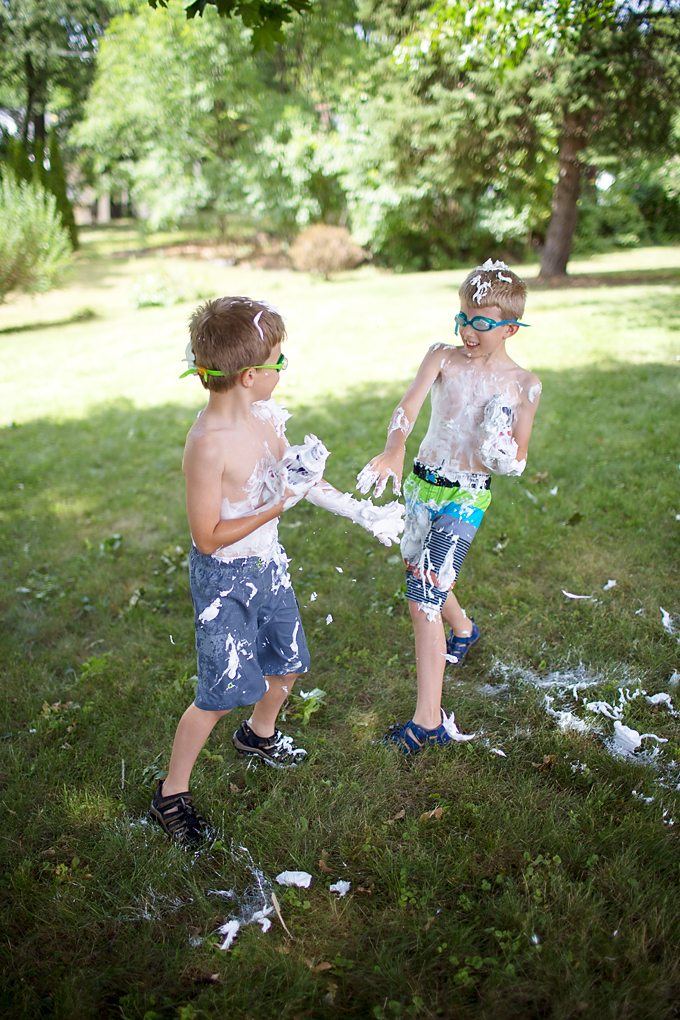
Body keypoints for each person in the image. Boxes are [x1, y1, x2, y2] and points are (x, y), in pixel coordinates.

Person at [151, 296, 403, 843]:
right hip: (224, 582)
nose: (283, 370)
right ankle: (172, 792)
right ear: (247, 376)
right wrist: (277, 505)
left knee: (288, 664)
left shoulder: (264, 419)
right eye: (278, 362)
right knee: (219, 693)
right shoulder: (208, 445)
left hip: (268, 567)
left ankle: (258, 735)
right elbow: (207, 536)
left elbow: (299, 479)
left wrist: (363, 512)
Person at [357, 259, 541, 754]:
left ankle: (428, 720)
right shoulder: (442, 357)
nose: (468, 330)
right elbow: (409, 406)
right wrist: (395, 448)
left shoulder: (523, 385)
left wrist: (501, 452)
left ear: (510, 328)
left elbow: (517, 457)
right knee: (421, 570)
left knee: (423, 600)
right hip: (421, 485)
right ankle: (464, 627)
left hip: (466, 495)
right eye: (462, 317)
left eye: (481, 322)